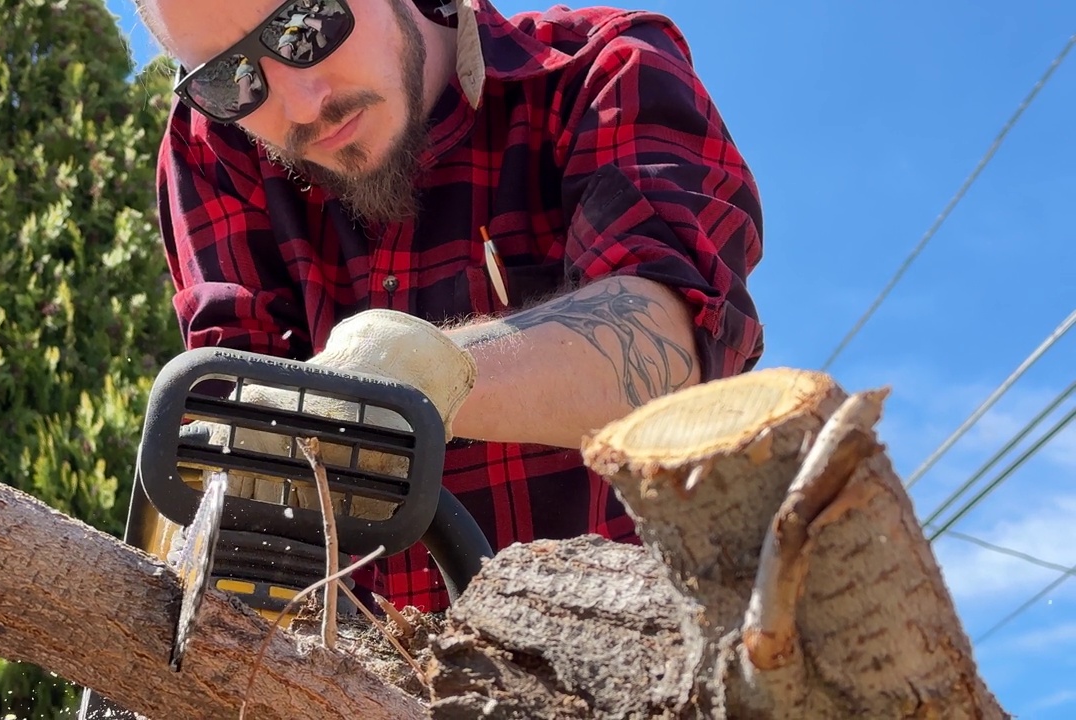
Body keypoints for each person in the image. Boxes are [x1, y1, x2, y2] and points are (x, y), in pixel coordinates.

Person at [136, 0, 765, 613]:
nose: (303, 103)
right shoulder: (214, 146)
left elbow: (672, 339)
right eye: (229, 76)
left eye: (306, 24)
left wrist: (410, 373)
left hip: (625, 660)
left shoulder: (603, 71)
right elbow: (238, 435)